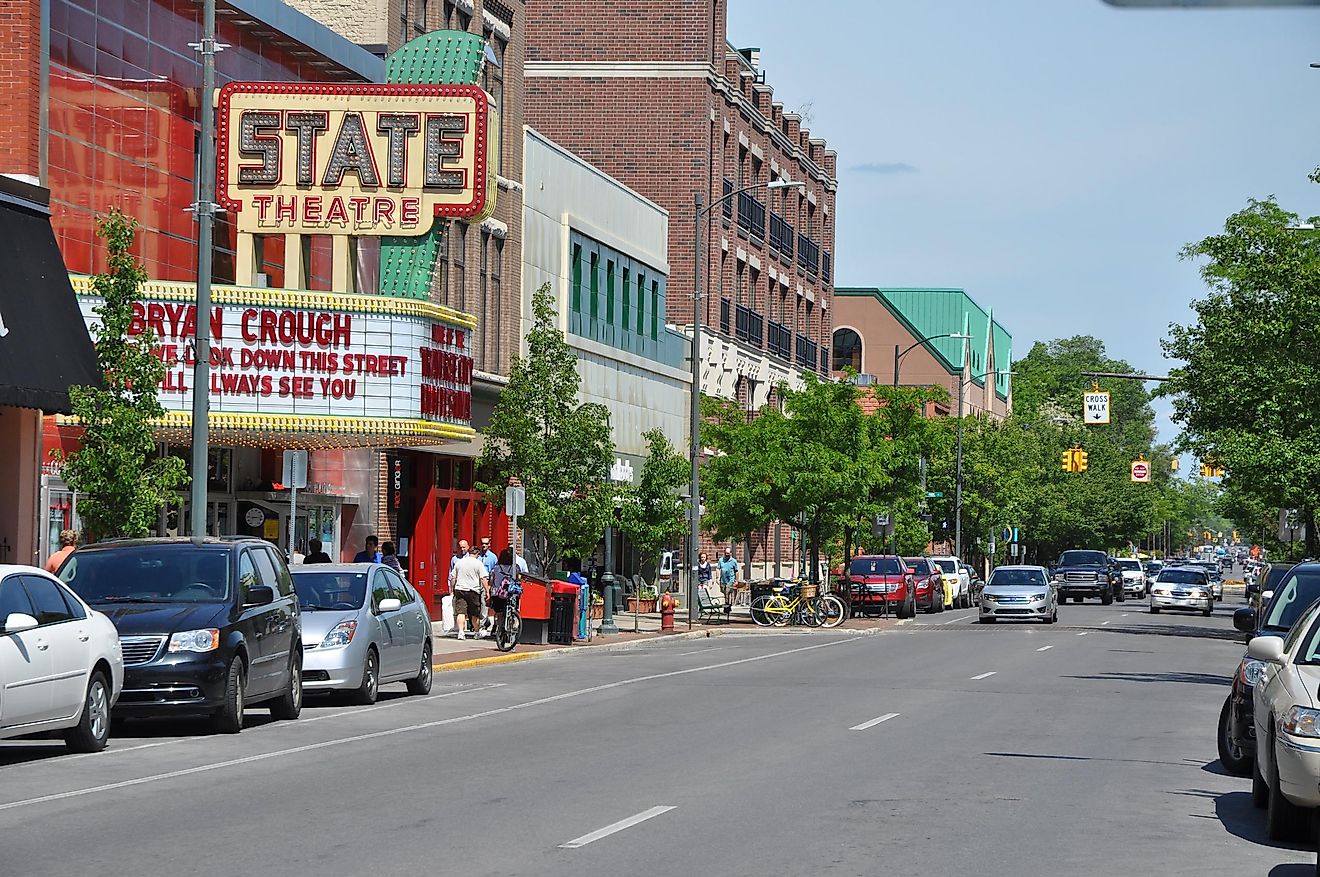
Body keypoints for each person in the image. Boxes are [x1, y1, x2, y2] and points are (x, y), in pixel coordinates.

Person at [449, 540, 488, 640]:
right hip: (473, 590)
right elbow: (483, 578)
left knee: (461, 612)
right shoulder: (478, 563)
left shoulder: (459, 562)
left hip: (460, 589)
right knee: (475, 613)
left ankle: (461, 632)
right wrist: (487, 591)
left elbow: (453, 577)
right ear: (477, 554)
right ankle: (476, 632)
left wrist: (452, 589)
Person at [485, 547, 518, 636]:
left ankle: (498, 627)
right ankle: (509, 627)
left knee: (498, 612)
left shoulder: (496, 568)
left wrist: (488, 592)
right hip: (510, 592)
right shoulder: (515, 568)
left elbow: (491, 581)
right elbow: (519, 579)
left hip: (497, 592)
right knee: (511, 610)